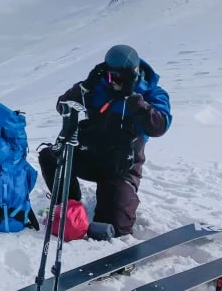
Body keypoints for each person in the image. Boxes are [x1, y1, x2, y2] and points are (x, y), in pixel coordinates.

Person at [38, 44, 172, 237]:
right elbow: (62, 106)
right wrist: (84, 87)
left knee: (115, 228)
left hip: (122, 166)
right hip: (90, 154)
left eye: (119, 77)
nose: (114, 82)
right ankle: (70, 205)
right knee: (49, 155)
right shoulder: (97, 86)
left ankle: (114, 204)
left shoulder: (152, 93)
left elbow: (159, 127)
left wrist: (135, 101)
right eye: (110, 76)